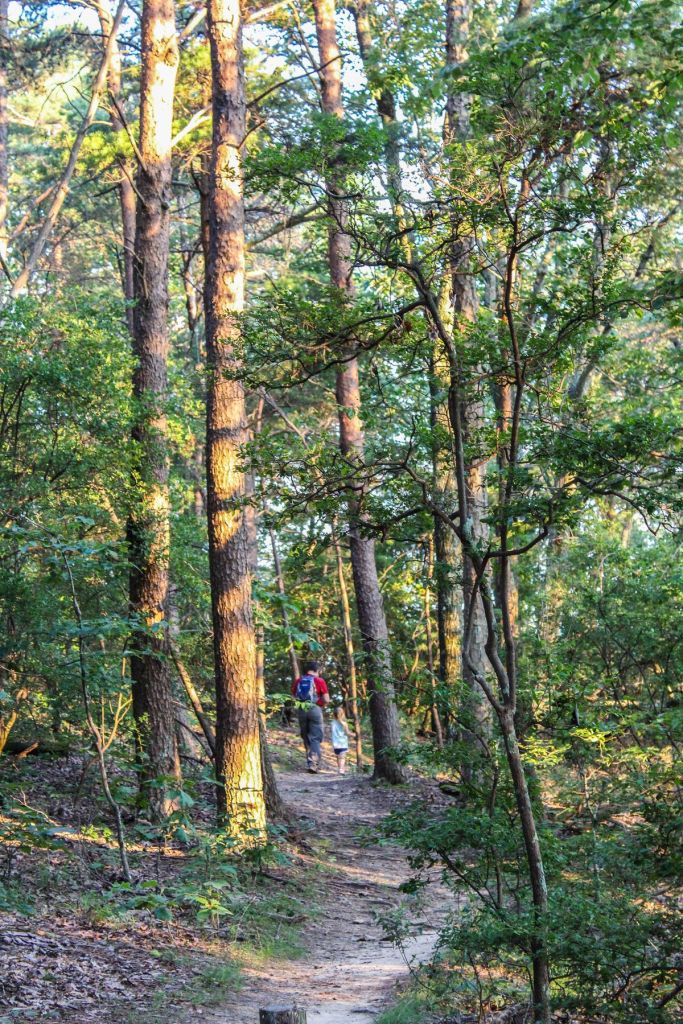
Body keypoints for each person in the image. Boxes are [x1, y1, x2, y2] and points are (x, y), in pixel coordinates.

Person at [291, 661, 330, 772]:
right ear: (316, 670)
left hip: (302, 709)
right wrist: (320, 704)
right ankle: (313, 764)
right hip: (314, 709)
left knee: (305, 736)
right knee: (315, 738)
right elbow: (326, 699)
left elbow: (293, 697)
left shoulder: (299, 680)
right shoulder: (319, 680)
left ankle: (309, 761)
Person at [331, 703, 350, 774]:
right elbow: (347, 733)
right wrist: (355, 735)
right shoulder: (344, 724)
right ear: (343, 714)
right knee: (342, 757)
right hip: (343, 743)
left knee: (338, 757)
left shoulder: (332, 723)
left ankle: (339, 769)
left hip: (335, 743)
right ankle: (341, 770)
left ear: (334, 715)